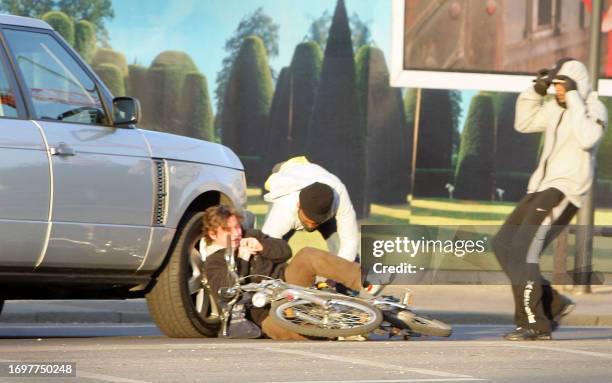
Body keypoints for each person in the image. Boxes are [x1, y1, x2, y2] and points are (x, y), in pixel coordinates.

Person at [493, 58, 608, 341]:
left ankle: (534, 323)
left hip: (564, 190)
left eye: (561, 85)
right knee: (503, 244)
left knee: (524, 251)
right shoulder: (555, 108)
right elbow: (524, 123)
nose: (557, 90)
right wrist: (536, 90)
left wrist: (572, 96)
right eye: (555, 85)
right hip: (540, 188)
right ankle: (553, 303)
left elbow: (587, 138)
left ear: (576, 84)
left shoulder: (593, 107)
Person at [200, 204, 371, 340]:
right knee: (277, 329)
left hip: (286, 282)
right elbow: (227, 292)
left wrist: (262, 246)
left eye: (237, 227)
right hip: (263, 309)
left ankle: (366, 279)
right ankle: (343, 330)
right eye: (228, 230)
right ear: (213, 234)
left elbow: (285, 250)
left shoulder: (252, 235)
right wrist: (243, 260)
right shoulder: (214, 262)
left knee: (307, 255)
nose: (237, 233)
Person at [261, 157, 358, 263]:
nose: (311, 226)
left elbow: (350, 241)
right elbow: (267, 247)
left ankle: (361, 277)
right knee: (272, 248)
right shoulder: (285, 206)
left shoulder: (339, 197)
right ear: (299, 205)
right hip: (291, 172)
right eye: (308, 221)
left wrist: (341, 274)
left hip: (318, 178)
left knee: (346, 255)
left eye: (316, 222)